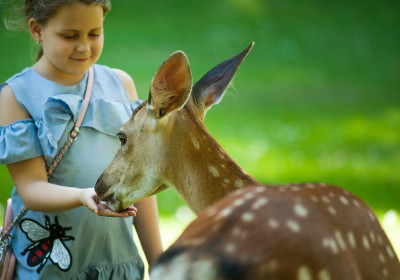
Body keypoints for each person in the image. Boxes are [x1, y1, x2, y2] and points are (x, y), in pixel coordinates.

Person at [0, 0, 163, 279]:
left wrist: (159, 260)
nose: (84, 47)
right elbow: (31, 188)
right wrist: (82, 196)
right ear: (37, 29)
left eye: (94, 33)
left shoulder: (120, 84)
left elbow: (139, 185)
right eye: (70, 36)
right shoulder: (16, 95)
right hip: (49, 269)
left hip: (115, 260)